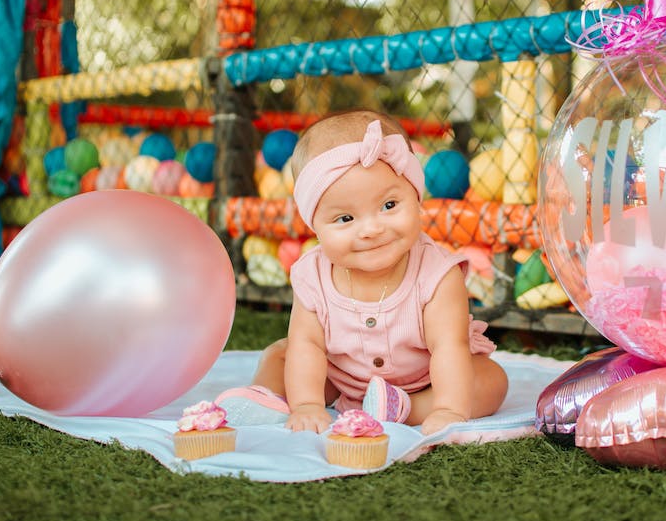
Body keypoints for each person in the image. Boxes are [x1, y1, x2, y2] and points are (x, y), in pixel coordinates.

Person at [217, 110, 508, 435]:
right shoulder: (312, 276)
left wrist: (448, 409)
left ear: (416, 198)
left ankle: (405, 409)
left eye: (388, 206)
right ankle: (266, 399)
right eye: (345, 219)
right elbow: (308, 345)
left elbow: (448, 347)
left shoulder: (438, 275)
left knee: (490, 381)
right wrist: (308, 405)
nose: (371, 229)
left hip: (425, 379)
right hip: (342, 377)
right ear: (315, 227)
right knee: (282, 354)